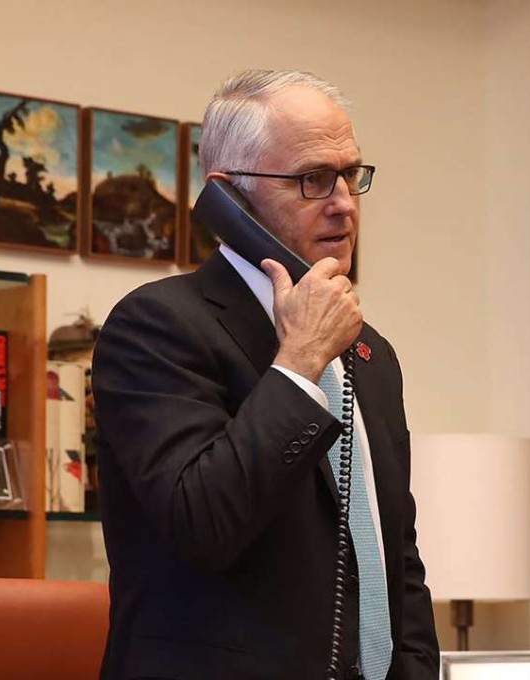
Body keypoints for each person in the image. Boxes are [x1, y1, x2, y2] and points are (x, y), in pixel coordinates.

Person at [92, 70, 439, 680]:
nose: (343, 203)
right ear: (230, 196)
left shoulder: (369, 353)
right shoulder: (156, 326)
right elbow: (204, 522)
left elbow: (394, 558)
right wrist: (300, 362)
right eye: (312, 179)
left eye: (350, 175)